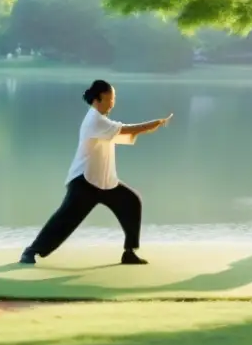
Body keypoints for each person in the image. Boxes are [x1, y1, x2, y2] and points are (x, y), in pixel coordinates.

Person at [19, 80, 173, 266]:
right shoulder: (95, 120)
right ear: (99, 99)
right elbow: (125, 129)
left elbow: (120, 134)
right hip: (84, 182)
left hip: (106, 182)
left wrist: (147, 128)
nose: (113, 103)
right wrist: (153, 124)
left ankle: (129, 253)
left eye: (114, 99)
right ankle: (31, 251)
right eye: (111, 99)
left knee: (131, 202)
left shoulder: (102, 121)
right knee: (64, 220)